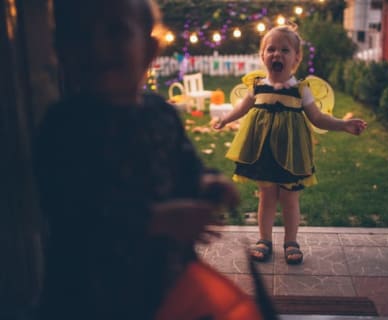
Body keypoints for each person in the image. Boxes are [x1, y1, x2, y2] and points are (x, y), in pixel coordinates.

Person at [33, 0, 264, 319]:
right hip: (91, 292)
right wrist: (156, 219)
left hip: (165, 281)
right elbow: (70, 209)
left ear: (150, 50)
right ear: (60, 50)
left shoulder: (160, 114)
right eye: (80, 34)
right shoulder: (65, 126)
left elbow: (186, 167)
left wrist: (206, 183)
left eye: (116, 31)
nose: (97, 46)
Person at [213, 24, 367, 265]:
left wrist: (342, 124)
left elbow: (318, 117)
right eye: (271, 49)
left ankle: (291, 241)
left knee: (289, 198)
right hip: (263, 150)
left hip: (292, 153)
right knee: (266, 196)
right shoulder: (256, 86)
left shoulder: (300, 89)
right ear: (262, 55)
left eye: (285, 50)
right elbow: (242, 108)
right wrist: (225, 119)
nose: (277, 54)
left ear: (296, 58)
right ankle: (264, 239)